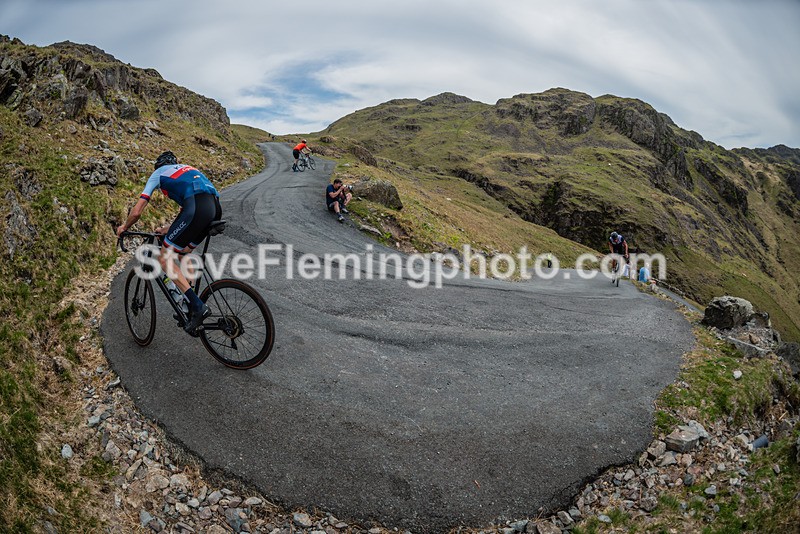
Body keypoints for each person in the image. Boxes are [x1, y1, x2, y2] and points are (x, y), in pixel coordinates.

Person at [116, 150, 221, 334]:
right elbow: (188, 211)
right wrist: (167, 230)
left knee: (164, 258)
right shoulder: (187, 170)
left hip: (196, 207)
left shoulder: (158, 174)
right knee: (183, 252)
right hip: (214, 208)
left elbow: (137, 211)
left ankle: (197, 306)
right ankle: (189, 303)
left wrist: (124, 226)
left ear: (159, 165)